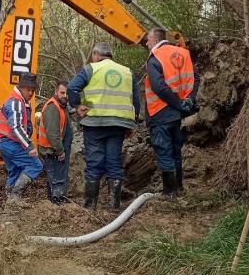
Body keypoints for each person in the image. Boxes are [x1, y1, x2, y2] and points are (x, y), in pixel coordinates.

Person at [67, 42, 138, 210]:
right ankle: (114, 207)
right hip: (118, 125)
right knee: (114, 163)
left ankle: (90, 207)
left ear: (96, 54)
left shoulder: (91, 69)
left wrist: (77, 106)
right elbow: (135, 102)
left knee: (94, 163)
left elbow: (71, 87)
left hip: (94, 123)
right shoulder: (127, 72)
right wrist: (131, 124)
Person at [143, 28, 197, 197]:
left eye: (148, 40)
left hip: (160, 112)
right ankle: (179, 188)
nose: (146, 43)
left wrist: (177, 103)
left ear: (155, 39)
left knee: (164, 151)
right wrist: (188, 101)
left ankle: (169, 193)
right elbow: (196, 78)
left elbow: (159, 87)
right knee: (176, 151)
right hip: (179, 116)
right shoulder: (183, 53)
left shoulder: (155, 57)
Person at [0, 72, 43, 204]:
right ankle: (15, 196)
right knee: (36, 165)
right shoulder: (16, 101)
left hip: (5, 142)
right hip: (10, 143)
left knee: (15, 170)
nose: (31, 93)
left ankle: (10, 201)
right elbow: (15, 127)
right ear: (20, 87)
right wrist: (30, 145)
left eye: (33, 90)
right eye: (29, 90)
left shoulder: (19, 100)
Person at [36, 80, 73, 205]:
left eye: (67, 93)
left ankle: (53, 202)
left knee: (54, 179)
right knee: (57, 179)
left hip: (53, 150)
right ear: (56, 92)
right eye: (62, 93)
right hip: (51, 151)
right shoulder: (53, 107)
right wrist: (60, 151)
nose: (65, 96)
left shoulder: (61, 106)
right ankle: (57, 204)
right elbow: (53, 134)